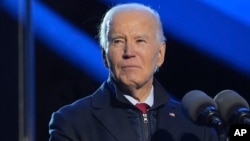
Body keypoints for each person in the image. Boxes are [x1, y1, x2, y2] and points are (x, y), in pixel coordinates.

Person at [49, 3, 219, 141]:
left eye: (140, 40)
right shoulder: (72, 122)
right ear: (104, 55)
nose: (129, 51)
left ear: (160, 54)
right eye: (118, 41)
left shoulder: (196, 125)